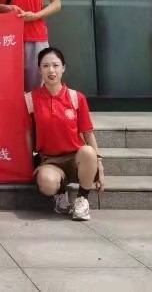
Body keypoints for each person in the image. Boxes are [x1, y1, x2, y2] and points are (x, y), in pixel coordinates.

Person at [26, 46, 103, 222]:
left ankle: (82, 199)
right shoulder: (31, 99)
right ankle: (60, 194)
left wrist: (100, 164)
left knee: (88, 151)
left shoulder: (77, 98)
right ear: (39, 70)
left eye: (55, 65)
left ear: (63, 68)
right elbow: (27, 134)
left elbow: (88, 134)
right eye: (46, 66)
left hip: (75, 157)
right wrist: (27, 163)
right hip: (49, 160)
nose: (51, 70)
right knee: (47, 184)